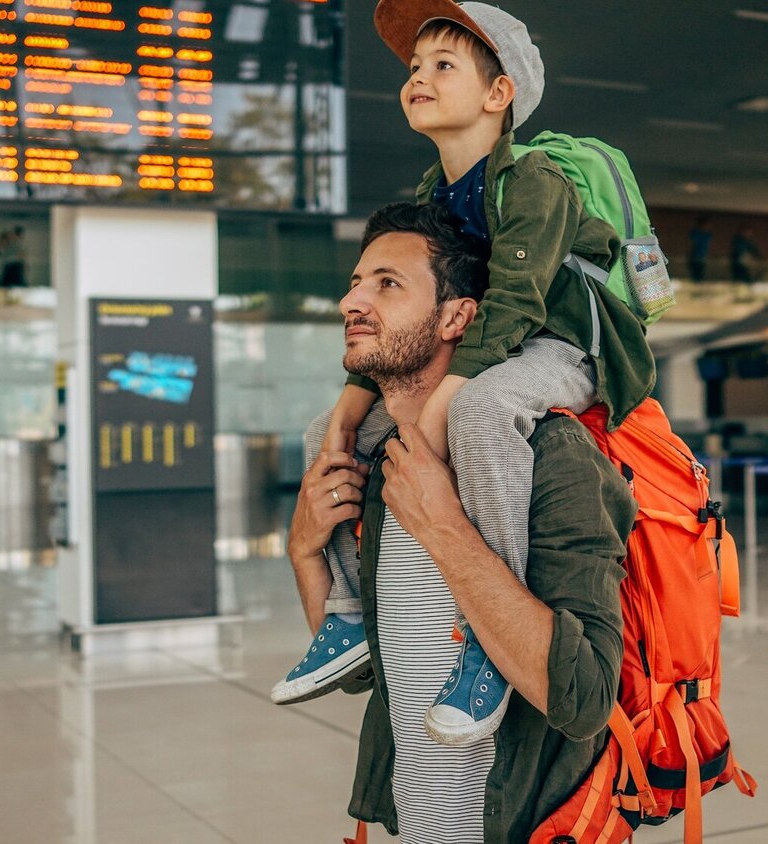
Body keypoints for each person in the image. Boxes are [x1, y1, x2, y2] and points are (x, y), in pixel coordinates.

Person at [272, 0, 654, 748]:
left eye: (443, 65)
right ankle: (346, 616)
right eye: (414, 68)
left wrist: (441, 402)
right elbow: (430, 311)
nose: (418, 77)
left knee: (479, 413)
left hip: (569, 346)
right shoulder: (430, 194)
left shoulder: (536, 179)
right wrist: (349, 414)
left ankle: (487, 635)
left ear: (498, 92)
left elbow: (512, 305)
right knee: (328, 429)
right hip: (495, 353)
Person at [286, 201, 634, 842]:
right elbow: (371, 672)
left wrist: (444, 526)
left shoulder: (549, 454)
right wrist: (307, 555)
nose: (351, 303)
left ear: (457, 316)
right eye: (355, 283)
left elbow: (583, 698)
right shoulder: (380, 460)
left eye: (387, 284)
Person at [687, 215, 712, 282]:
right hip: (695, 257)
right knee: (696, 272)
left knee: (700, 271)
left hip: (702, 257)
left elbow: (708, 246)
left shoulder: (707, 235)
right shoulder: (695, 233)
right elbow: (690, 244)